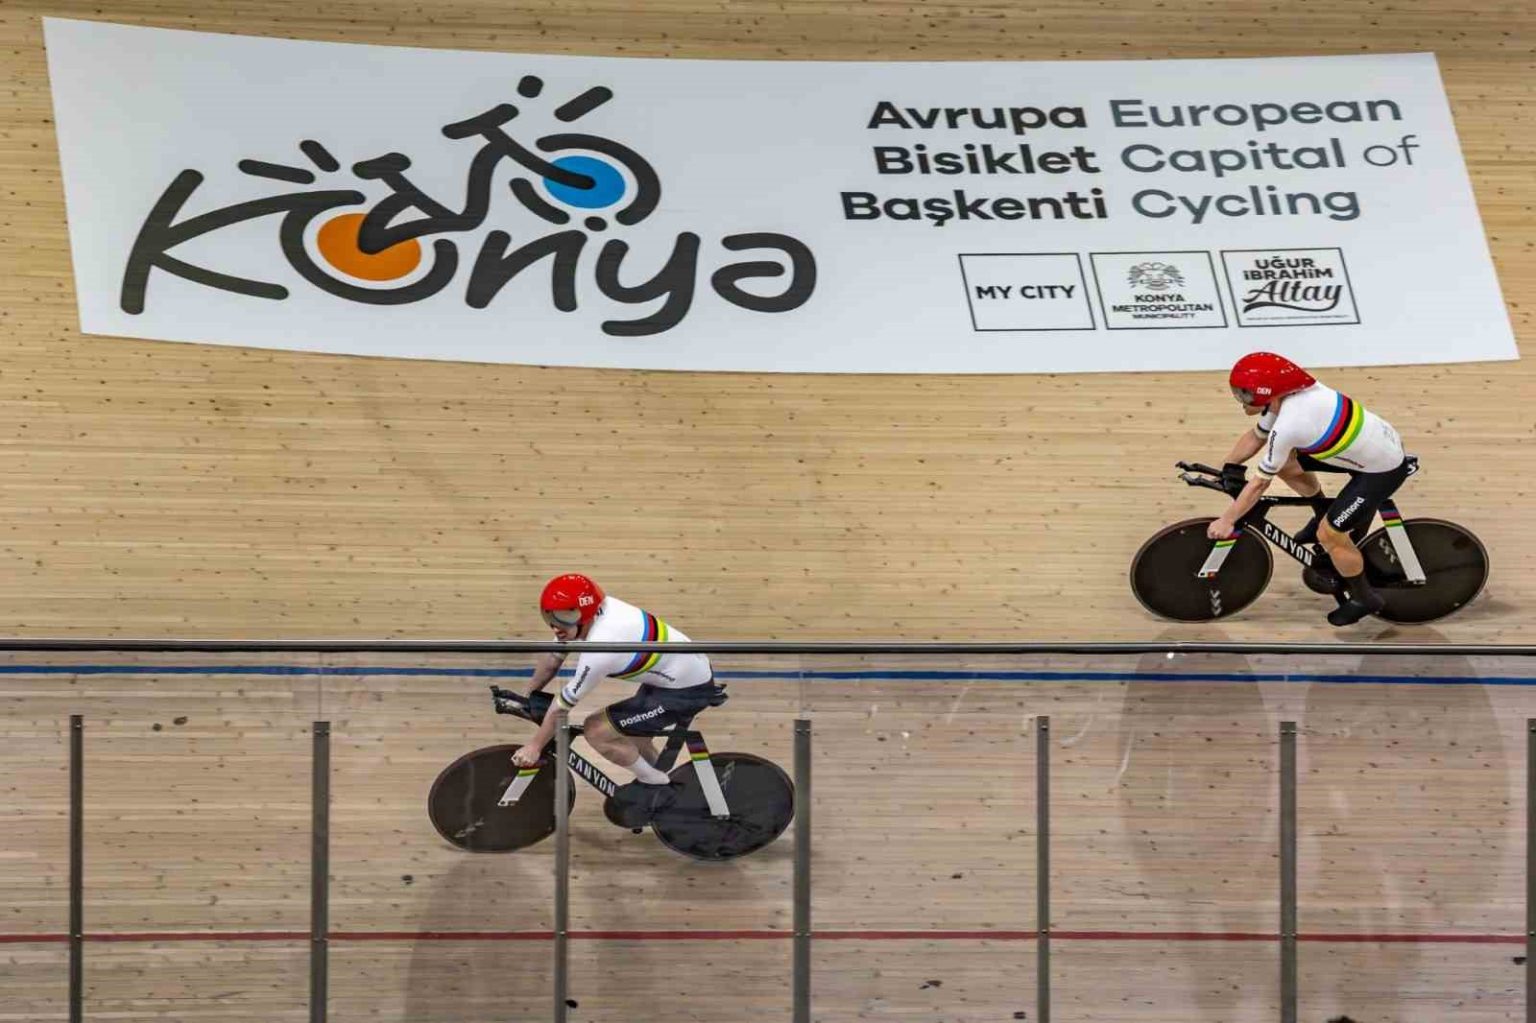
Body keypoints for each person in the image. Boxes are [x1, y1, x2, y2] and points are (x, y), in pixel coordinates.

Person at [1209, 352, 1410, 627]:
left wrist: (1227, 519)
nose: (1241, 400)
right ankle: (1321, 510)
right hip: (1368, 449)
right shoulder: (1287, 398)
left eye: (1245, 394)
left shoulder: (1289, 425)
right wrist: (1228, 467)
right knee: (1285, 463)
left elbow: (1259, 484)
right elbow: (1256, 436)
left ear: (1269, 392)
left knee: (1329, 534)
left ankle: (1364, 598)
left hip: (1381, 470)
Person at [510, 573, 726, 819]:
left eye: (562, 618)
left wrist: (534, 746)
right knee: (633, 737)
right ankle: (661, 794)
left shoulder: (601, 648)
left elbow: (563, 705)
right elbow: (552, 659)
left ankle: (654, 781)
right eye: (550, 617)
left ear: (584, 614)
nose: (555, 625)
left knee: (596, 730)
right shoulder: (586, 616)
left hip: (685, 690)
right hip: (677, 676)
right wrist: (528, 696)